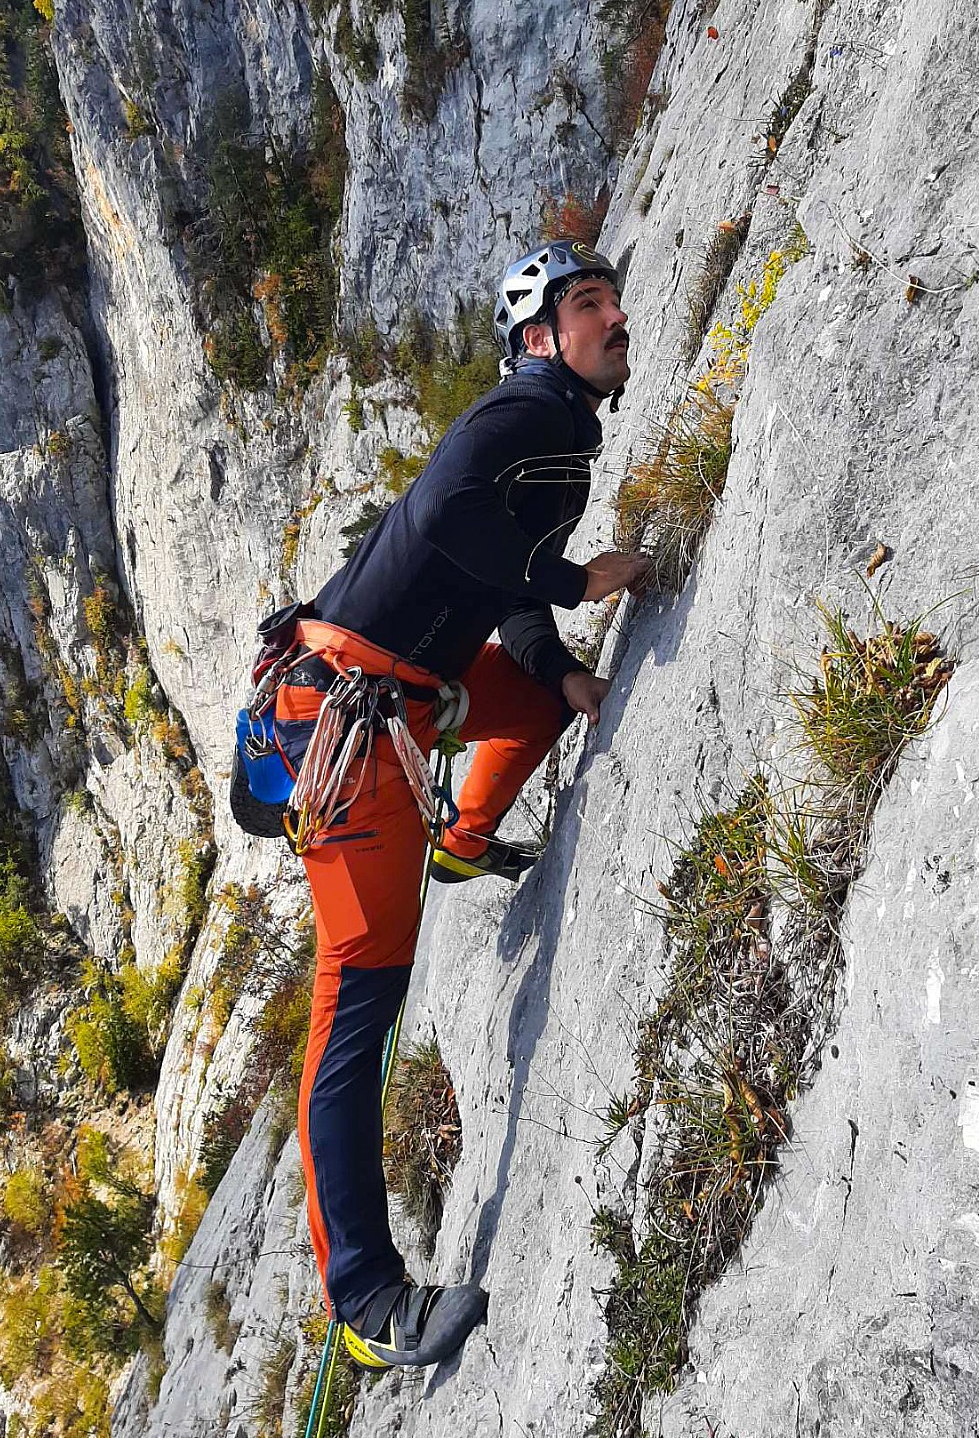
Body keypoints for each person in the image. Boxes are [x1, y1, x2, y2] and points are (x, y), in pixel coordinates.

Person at [271, 239, 653, 1370]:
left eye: (613, 298)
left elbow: (501, 581)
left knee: (533, 705)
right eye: (590, 304)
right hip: (348, 725)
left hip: (414, 692)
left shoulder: (560, 440)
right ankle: (364, 1301)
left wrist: (560, 666)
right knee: (359, 1007)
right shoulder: (524, 410)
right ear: (540, 337)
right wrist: (576, 581)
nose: (616, 316)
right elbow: (445, 513)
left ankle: (465, 840)